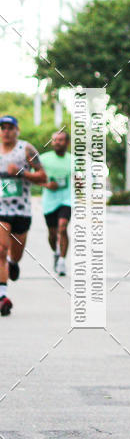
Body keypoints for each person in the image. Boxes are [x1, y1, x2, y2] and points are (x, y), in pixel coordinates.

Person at [0, 115, 47, 315]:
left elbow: (43, 176)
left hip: (22, 211)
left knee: (15, 255)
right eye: (2, 128)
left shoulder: (26, 149)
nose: (6, 131)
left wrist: (20, 172)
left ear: (17, 130)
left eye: (10, 127)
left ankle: (13, 263)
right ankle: (2, 296)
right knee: (1, 249)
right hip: (1, 210)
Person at [40, 130, 72, 275]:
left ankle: (62, 262)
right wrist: (47, 185)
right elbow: (35, 177)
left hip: (67, 200)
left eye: (60, 140)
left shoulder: (74, 160)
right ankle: (56, 252)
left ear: (67, 143)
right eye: (55, 140)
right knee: (52, 234)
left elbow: (80, 180)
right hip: (49, 202)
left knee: (62, 227)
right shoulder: (44, 159)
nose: (57, 142)